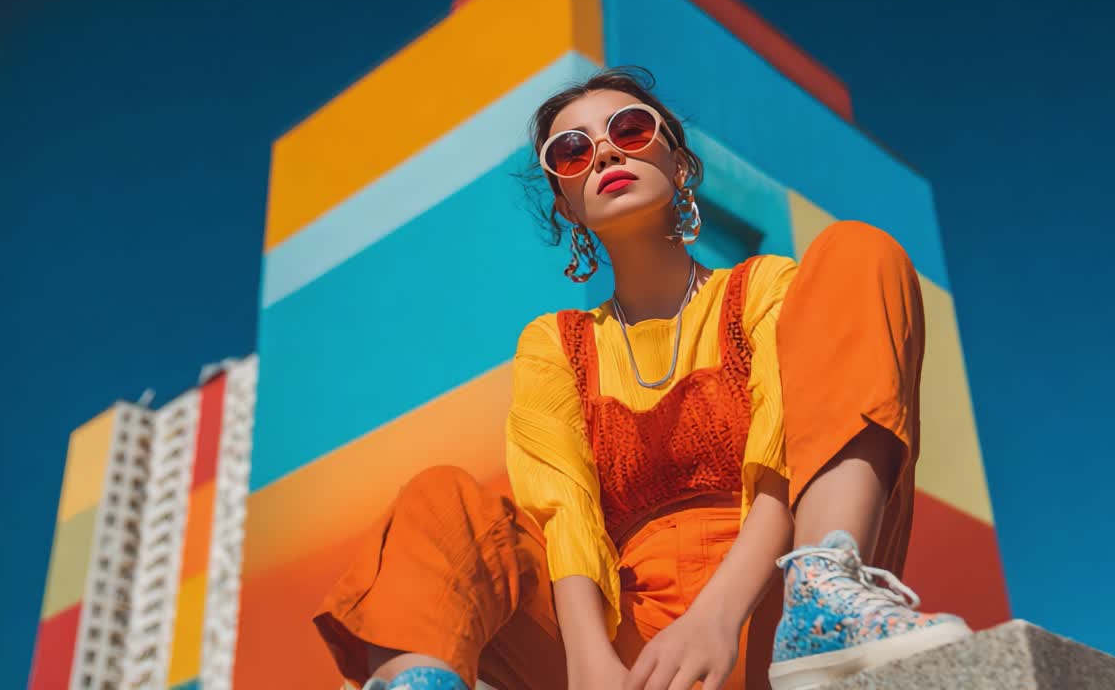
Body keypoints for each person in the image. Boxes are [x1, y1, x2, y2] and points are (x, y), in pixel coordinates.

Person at [313, 66, 971, 690]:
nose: (603, 154)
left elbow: (789, 451)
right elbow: (563, 513)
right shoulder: (556, 344)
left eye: (629, 130)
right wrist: (591, 665)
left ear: (680, 165)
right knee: (439, 500)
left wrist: (717, 616)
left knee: (859, 252)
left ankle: (828, 599)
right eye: (571, 152)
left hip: (772, 599)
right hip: (626, 651)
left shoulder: (764, 289)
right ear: (566, 207)